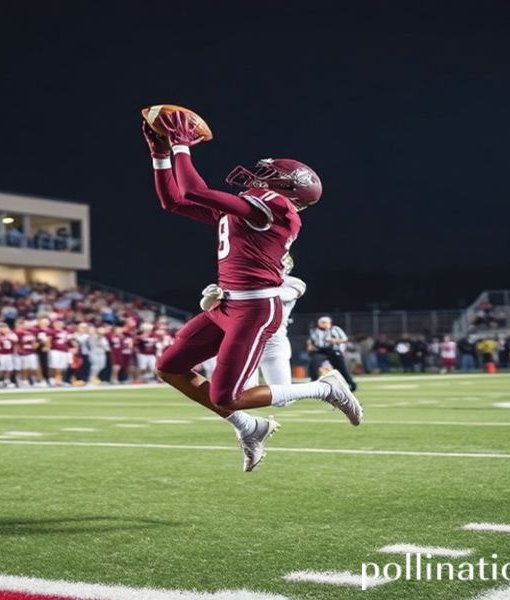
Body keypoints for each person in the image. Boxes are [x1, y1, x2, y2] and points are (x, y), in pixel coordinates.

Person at [143, 111, 361, 473]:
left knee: (225, 394)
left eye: (269, 175)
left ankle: (326, 388)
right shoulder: (250, 211)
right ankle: (250, 427)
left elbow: (195, 190)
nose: (258, 177)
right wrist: (160, 153)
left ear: (287, 189)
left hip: (255, 312)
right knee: (169, 368)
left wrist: (180, 143)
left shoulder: (277, 209)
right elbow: (174, 201)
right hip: (227, 305)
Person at [240, 253, 306, 388]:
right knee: (242, 391)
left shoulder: (293, 283)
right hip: (247, 339)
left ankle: (323, 387)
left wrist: (249, 289)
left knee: (283, 396)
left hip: (273, 340)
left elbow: (284, 295)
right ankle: (240, 409)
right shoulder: (249, 281)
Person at [307, 316, 357, 389]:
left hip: (333, 350)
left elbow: (345, 339)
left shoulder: (335, 329)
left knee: (341, 368)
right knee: (314, 364)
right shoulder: (314, 331)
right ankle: (313, 383)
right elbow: (310, 340)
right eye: (322, 323)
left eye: (325, 322)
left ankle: (351, 384)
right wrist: (310, 346)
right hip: (320, 351)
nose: (324, 324)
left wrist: (335, 340)